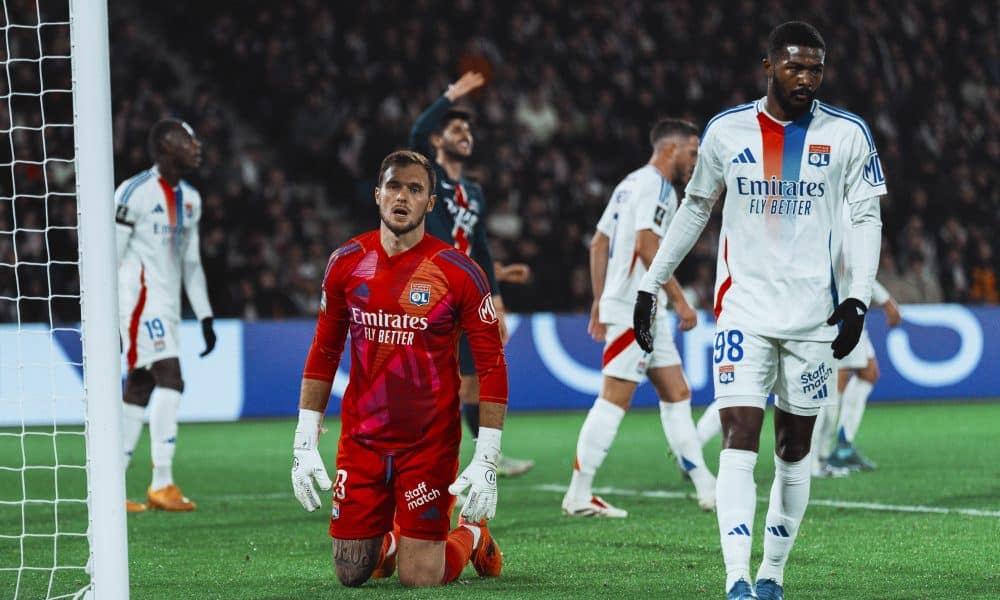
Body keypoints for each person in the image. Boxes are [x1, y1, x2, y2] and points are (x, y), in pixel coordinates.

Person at [633, 22, 885, 600]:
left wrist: (858, 298)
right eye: (794, 66)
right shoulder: (727, 130)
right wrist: (652, 283)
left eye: (815, 68)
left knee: (795, 450)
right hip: (742, 310)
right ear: (767, 66)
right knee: (737, 435)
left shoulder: (847, 133)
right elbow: (696, 208)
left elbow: (867, 218)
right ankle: (736, 579)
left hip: (814, 318)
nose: (805, 78)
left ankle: (772, 573)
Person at [289, 150, 507, 588]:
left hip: (428, 443)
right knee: (352, 572)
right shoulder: (346, 262)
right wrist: (303, 437)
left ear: (430, 203)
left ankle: (471, 533)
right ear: (377, 195)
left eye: (414, 188)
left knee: (420, 578)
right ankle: (388, 542)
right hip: (362, 441)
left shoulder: (458, 272)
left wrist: (487, 456)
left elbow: (491, 364)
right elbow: (324, 351)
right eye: (393, 186)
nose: (402, 196)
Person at [561, 118, 716, 518]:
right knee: (615, 398)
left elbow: (599, 242)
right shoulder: (658, 187)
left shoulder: (629, 183)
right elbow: (649, 246)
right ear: (671, 149)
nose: (694, 161)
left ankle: (705, 484)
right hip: (637, 307)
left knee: (677, 391)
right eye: (692, 152)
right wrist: (681, 301)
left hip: (637, 305)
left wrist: (599, 299)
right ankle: (579, 493)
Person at [409, 71, 534, 477]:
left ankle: (486, 458)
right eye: (456, 129)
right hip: (433, 293)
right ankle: (423, 455)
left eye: (468, 130)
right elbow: (415, 133)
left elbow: (478, 245)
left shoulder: (474, 193)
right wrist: (450, 97)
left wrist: (495, 295)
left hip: (469, 296)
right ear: (437, 140)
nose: (465, 134)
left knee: (475, 381)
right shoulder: (430, 180)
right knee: (440, 384)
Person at [115, 119, 216, 512]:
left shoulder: (191, 200)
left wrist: (205, 315)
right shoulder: (134, 192)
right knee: (171, 378)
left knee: (139, 387)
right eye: (188, 140)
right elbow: (110, 253)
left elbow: (191, 263)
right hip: (138, 301)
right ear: (165, 147)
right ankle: (162, 481)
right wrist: (109, 314)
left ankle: (113, 481)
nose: (197, 145)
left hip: (168, 307)